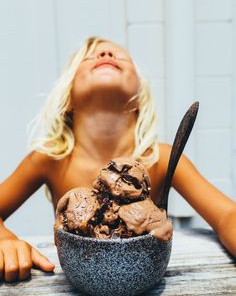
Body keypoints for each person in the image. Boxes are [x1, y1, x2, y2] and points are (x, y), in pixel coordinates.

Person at [0, 37, 236, 283]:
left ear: (139, 98)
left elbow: (227, 214)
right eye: (90, 56)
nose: (105, 54)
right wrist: (4, 239)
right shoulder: (48, 159)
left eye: (119, 56)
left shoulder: (161, 158)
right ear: (68, 99)